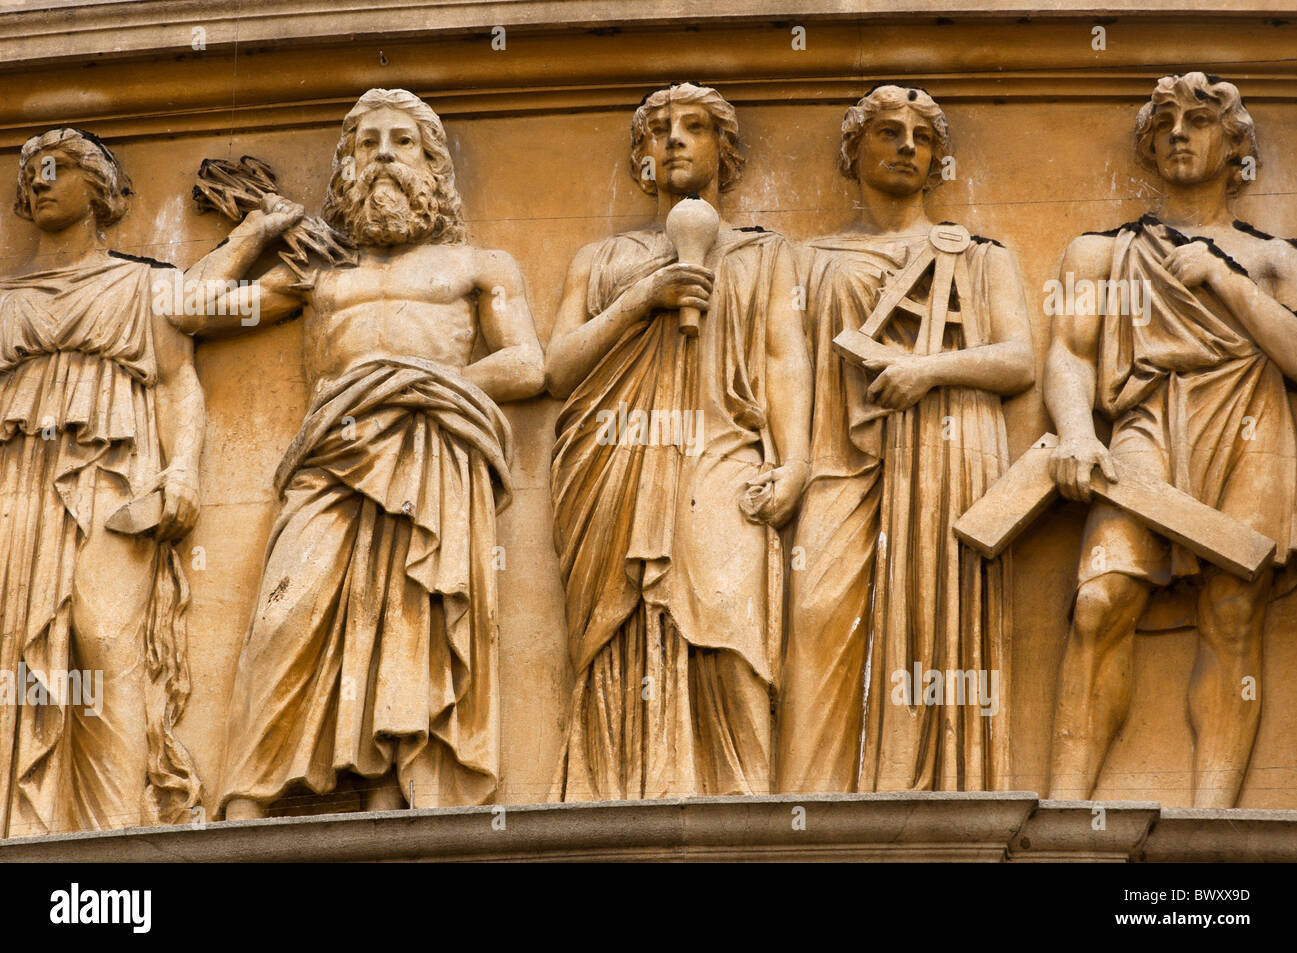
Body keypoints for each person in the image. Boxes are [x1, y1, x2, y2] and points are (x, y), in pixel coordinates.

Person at [173, 88, 545, 817]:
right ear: (345, 167)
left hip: (430, 451)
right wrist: (254, 235)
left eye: (401, 142)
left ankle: (388, 793)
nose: (382, 155)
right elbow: (191, 310)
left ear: (432, 165)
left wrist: (417, 383)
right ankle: (248, 797)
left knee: (409, 622)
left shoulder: (478, 266)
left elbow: (528, 366)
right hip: (331, 459)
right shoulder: (320, 272)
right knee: (288, 616)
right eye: (366, 143)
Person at [545, 82, 812, 799]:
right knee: (623, 631)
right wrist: (644, 296)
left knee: (730, 626)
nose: (674, 139)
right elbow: (557, 368)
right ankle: (623, 796)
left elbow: (785, 359)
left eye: (693, 127)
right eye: (659, 130)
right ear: (642, 157)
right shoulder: (599, 260)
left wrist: (796, 460)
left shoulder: (764, 255)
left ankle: (743, 804)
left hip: (724, 453)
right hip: (615, 460)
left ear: (725, 151)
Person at [1045, 73, 1297, 807]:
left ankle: (1212, 818)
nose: (1180, 133)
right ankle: (1066, 811)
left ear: (1235, 144)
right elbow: (1066, 351)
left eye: (1198, 120)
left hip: (1251, 421)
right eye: (1165, 123)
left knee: (1232, 610)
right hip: (1146, 421)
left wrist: (1224, 280)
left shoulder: (1273, 259)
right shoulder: (1100, 254)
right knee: (1101, 596)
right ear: (1150, 145)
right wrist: (1071, 434)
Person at [778, 86, 1033, 793]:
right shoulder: (806, 259)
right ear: (852, 150)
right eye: (887, 132)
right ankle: (805, 808)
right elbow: (784, 363)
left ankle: (933, 789)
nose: (907, 146)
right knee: (815, 615)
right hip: (835, 462)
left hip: (948, 451)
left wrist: (928, 372)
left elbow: (1018, 360)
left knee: (935, 627)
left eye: (922, 137)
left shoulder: (980, 255)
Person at [0, 128, 203, 836]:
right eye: (30, 173)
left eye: (56, 169)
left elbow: (180, 382)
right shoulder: (3, 300)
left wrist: (183, 469)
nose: (38, 182)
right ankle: (22, 828)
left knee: (102, 636)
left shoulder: (143, 284)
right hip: (18, 482)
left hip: (113, 476)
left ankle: (115, 838)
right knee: (13, 643)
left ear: (100, 186)